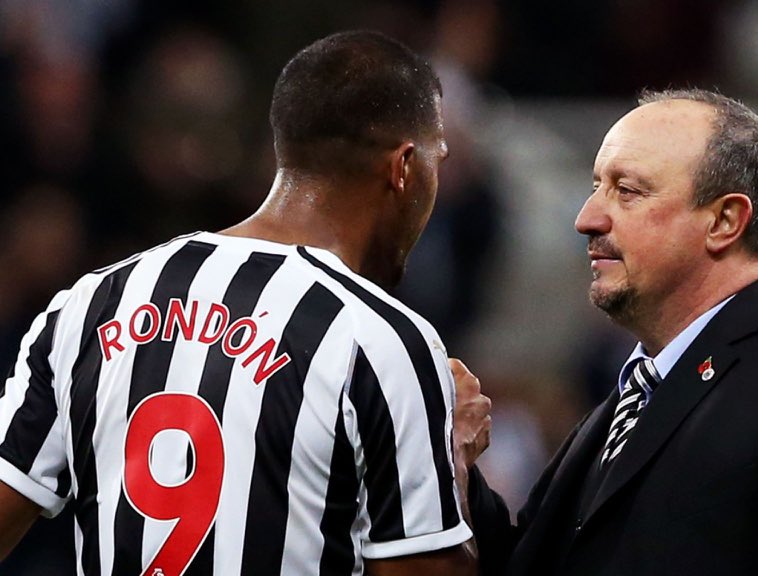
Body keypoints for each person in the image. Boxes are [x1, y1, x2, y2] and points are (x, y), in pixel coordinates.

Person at [0, 30, 492, 576]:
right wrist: (451, 461)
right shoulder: (383, 342)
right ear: (403, 168)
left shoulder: (91, 304)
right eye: (437, 159)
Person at [458, 89, 758, 575]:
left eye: (628, 191)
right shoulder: (607, 418)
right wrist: (453, 461)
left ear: (724, 221)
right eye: (597, 187)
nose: (587, 218)